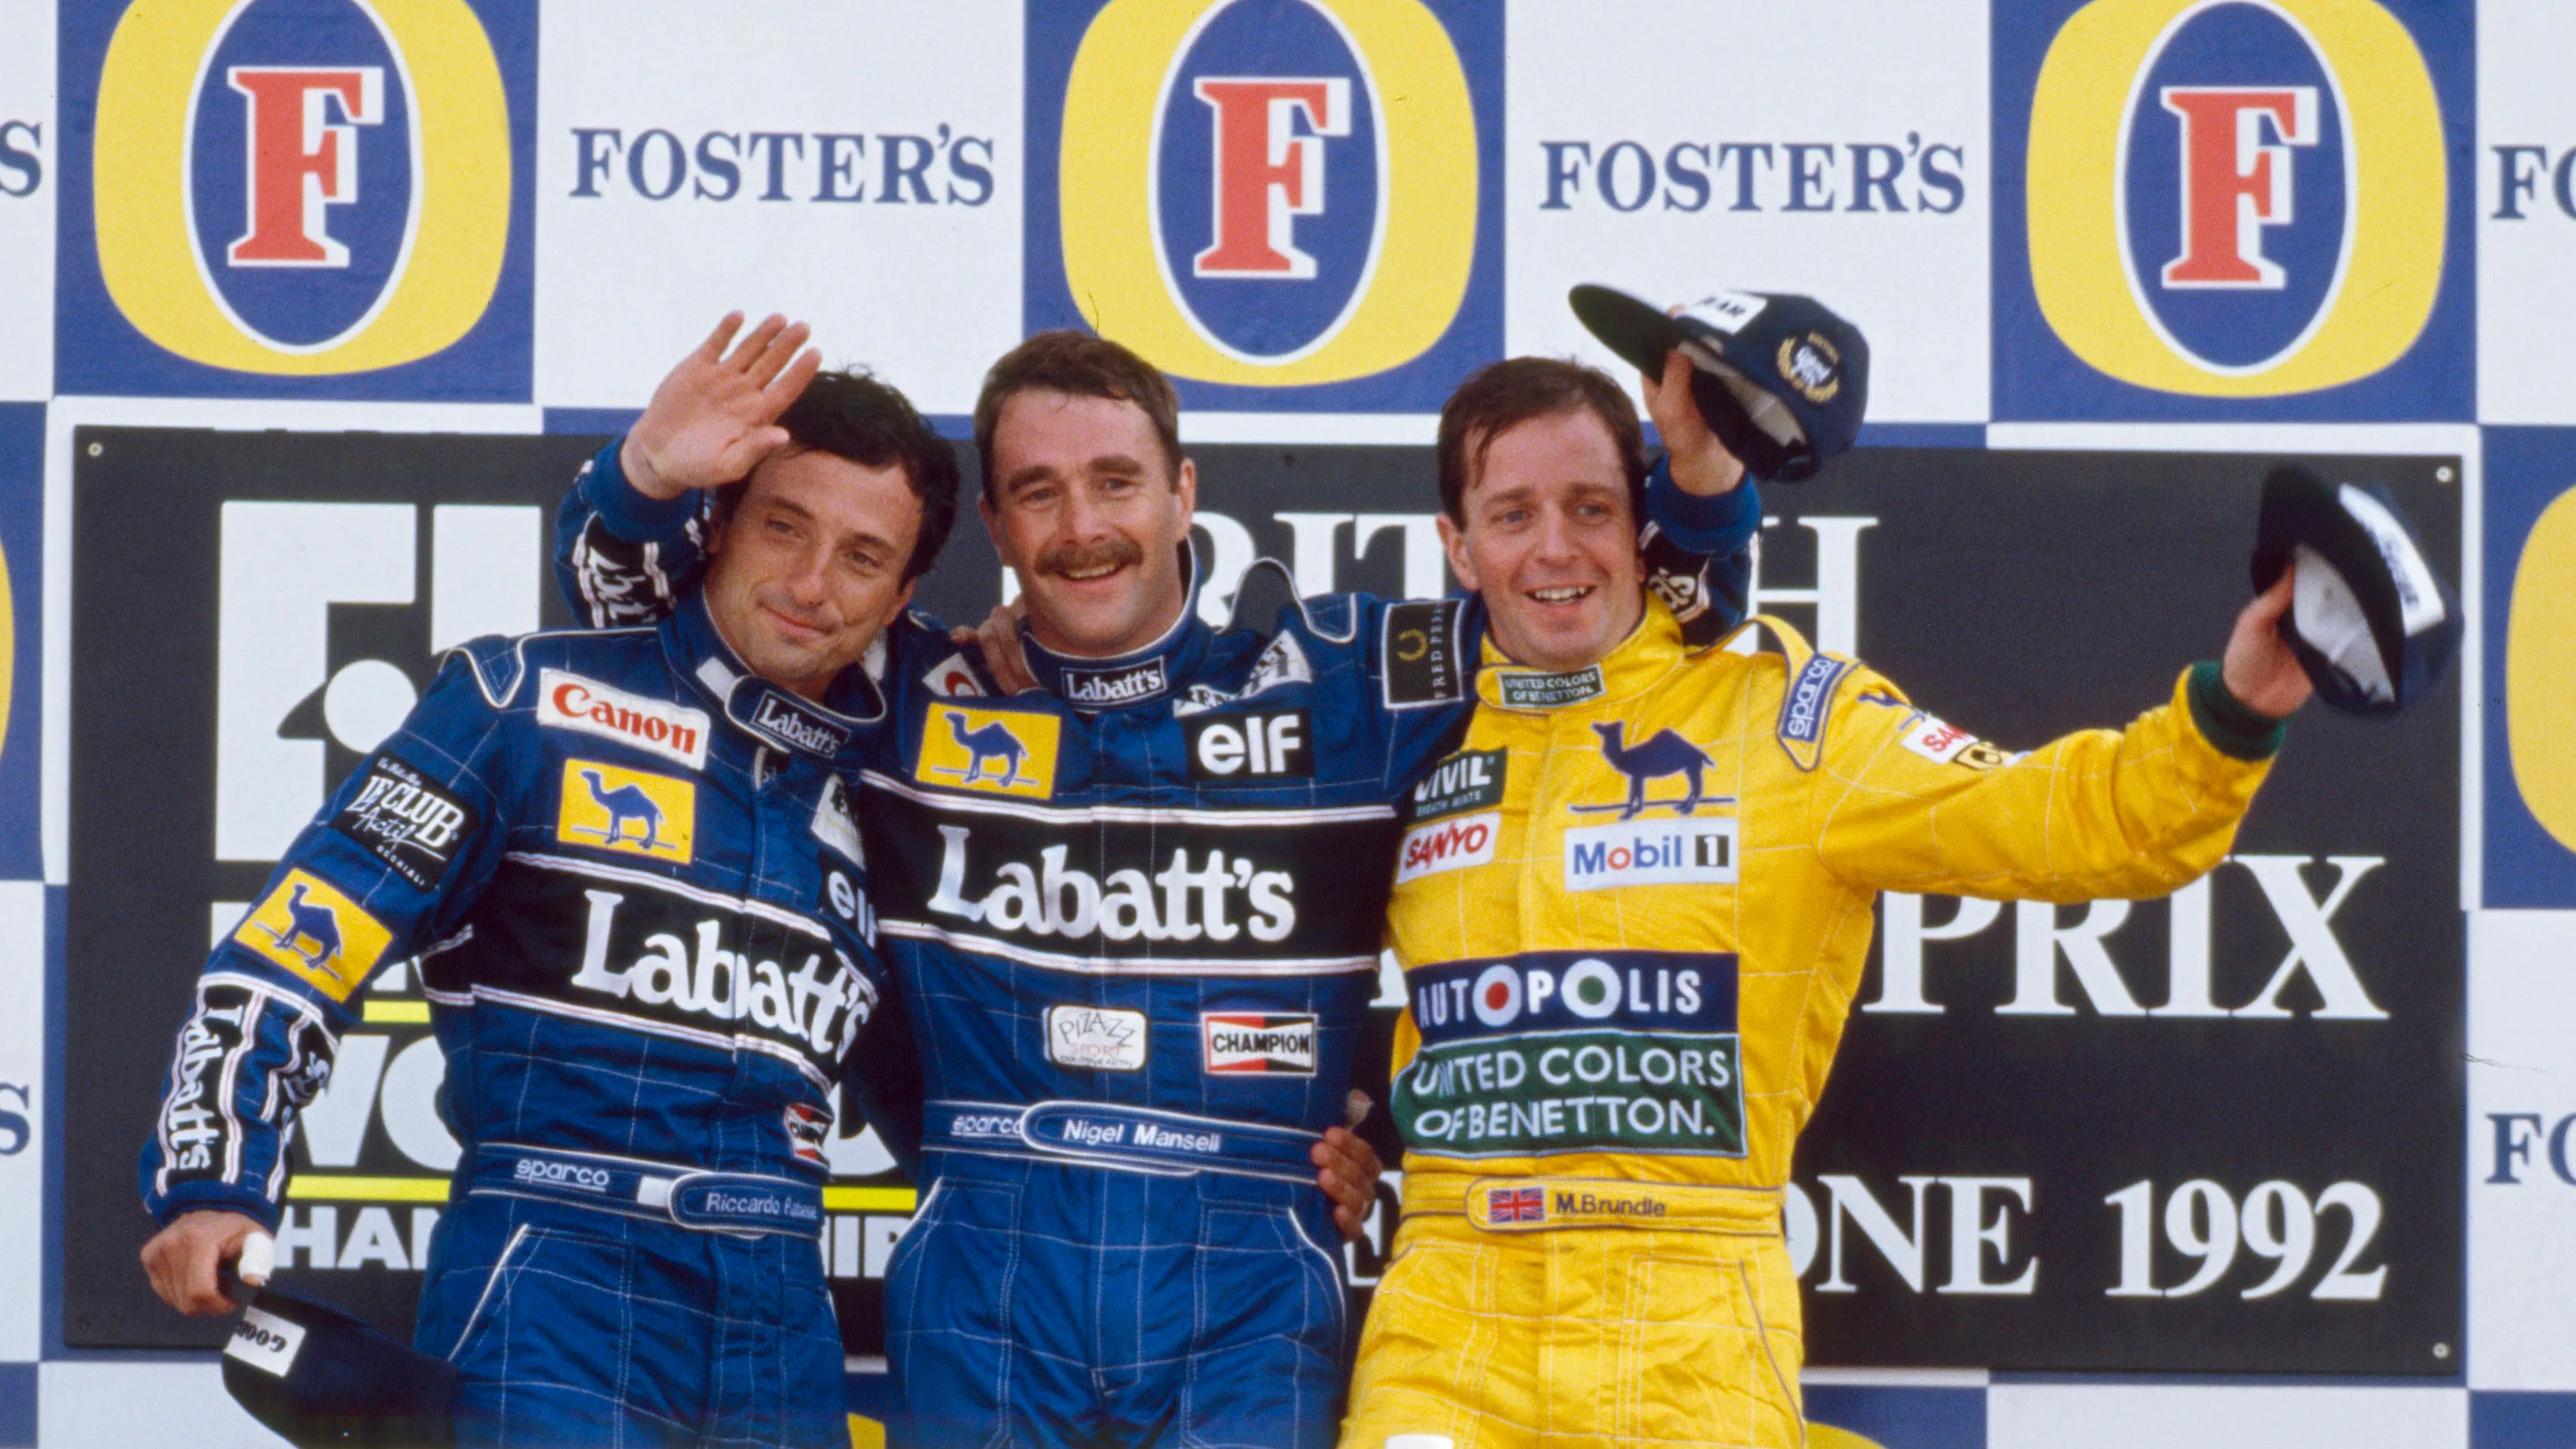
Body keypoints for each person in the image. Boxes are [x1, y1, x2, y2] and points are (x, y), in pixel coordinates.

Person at [552, 324, 1762, 1447]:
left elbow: (1629, 618)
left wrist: (1702, 480)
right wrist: (646, 474)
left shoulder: (1344, 679)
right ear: (994, 521)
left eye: (1117, 481)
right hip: (985, 1273)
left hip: (1248, 1283)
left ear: (1183, 492)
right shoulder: (909, 689)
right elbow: (658, 645)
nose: (1082, 525)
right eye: (1039, 491)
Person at [1334, 354, 2316, 1449]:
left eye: (1590, 508)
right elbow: (1232, 934)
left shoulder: (1789, 723)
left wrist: (2233, 711)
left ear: (1639, 525)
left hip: (1689, 1326)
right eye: (1511, 514)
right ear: (1457, 546)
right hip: (1447, 1323)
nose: (1555, 547)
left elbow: (2065, 822)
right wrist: (1334, 1125)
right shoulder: (1389, 735)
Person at [138, 319, 955, 1447]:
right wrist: (214, 1178)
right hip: (553, 1276)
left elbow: (965, 1084)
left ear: (904, 591)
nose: (812, 584)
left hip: (784, 1316)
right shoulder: (523, 701)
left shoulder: (898, 791)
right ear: (717, 522)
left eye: (861, 557)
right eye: (783, 526)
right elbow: (295, 944)